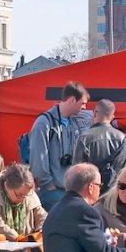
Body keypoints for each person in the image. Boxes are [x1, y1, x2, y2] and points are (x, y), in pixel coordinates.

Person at [28, 80, 92, 210]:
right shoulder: (44, 123)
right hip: (52, 191)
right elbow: (38, 157)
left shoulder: (74, 123)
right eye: (83, 103)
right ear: (73, 99)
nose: (84, 108)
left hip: (69, 190)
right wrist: (48, 184)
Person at [73, 99, 126, 188]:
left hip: (91, 191)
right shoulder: (125, 140)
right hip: (116, 192)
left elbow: (77, 173)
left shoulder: (83, 138)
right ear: (112, 117)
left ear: (95, 113)